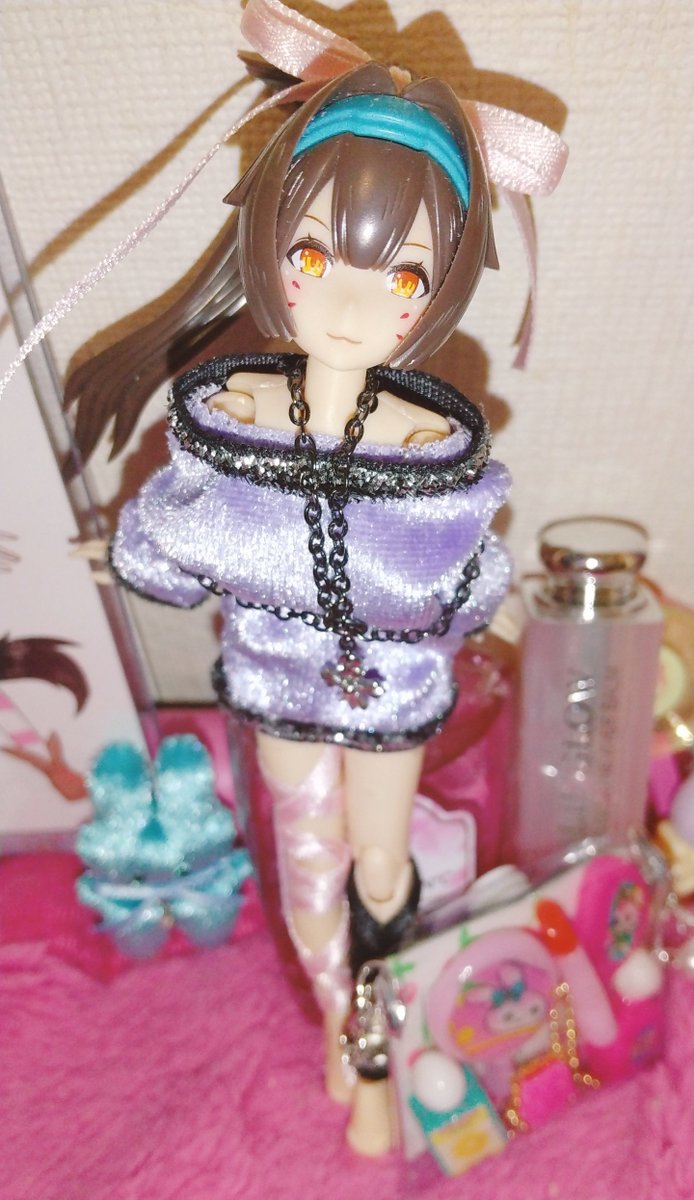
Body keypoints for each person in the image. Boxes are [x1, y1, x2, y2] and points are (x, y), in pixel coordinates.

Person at [67, 62, 511, 1152]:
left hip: (390, 692)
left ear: (445, 285)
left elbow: (458, 585)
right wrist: (129, 550)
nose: (352, 307)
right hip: (277, 682)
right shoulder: (233, 417)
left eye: (403, 275)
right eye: (313, 258)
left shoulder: (432, 446)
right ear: (267, 247)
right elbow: (185, 539)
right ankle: (342, 1031)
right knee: (310, 869)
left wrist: (463, 597)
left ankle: (379, 1045)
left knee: (380, 867)